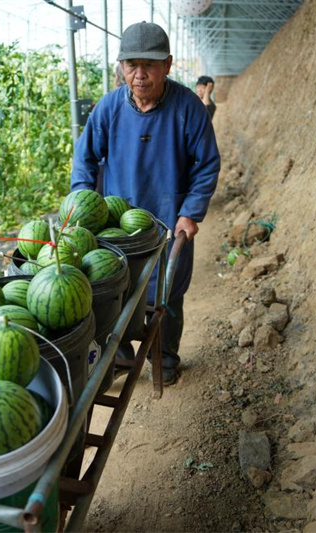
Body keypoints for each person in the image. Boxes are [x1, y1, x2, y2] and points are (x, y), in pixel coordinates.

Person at [70, 21, 221, 386]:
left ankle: (165, 359)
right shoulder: (108, 109)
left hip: (170, 219)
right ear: (121, 67)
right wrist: (81, 207)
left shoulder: (188, 108)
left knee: (167, 293)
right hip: (116, 227)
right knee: (116, 291)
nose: (139, 75)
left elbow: (207, 163)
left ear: (167, 65)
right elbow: (85, 161)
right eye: (131, 65)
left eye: (149, 65)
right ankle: (121, 357)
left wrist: (191, 212)